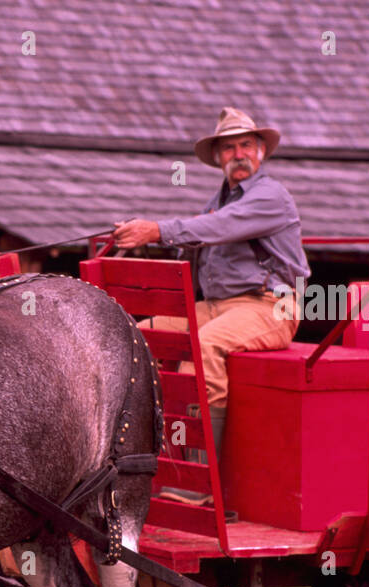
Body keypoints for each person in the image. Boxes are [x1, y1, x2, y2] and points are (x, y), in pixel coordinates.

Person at [113, 107, 309, 504]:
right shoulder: (217, 201)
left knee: (204, 348)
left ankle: (200, 482)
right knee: (140, 336)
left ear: (261, 152)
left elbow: (216, 227)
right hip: (219, 304)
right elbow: (200, 237)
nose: (239, 154)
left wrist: (157, 229)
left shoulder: (270, 196)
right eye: (229, 147)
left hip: (273, 306)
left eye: (246, 145)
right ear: (218, 157)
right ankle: (136, 460)